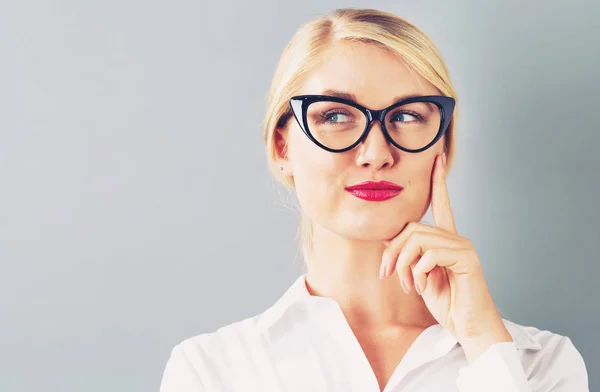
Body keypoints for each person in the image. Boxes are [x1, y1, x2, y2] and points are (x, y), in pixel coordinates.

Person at [159, 8, 589, 392]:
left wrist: (483, 343)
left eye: (407, 116)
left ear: (443, 145)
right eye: (334, 115)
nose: (377, 154)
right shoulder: (212, 371)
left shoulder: (542, 365)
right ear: (282, 147)